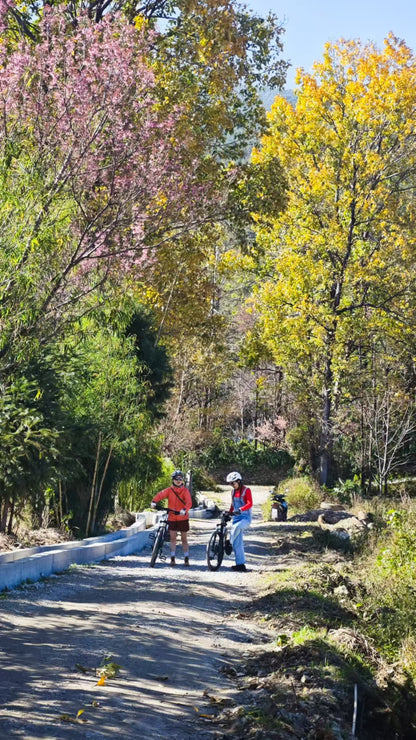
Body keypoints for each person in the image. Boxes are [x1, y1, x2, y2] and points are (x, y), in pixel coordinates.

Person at [151, 470, 192, 566]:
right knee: (173, 538)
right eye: (176, 479)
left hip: (182, 517)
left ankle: (186, 558)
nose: (178, 481)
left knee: (183, 539)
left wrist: (184, 509)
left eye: (180, 479)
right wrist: (154, 501)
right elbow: (160, 494)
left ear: (183, 480)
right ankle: (172, 558)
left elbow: (189, 502)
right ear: (173, 480)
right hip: (172, 516)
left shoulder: (185, 491)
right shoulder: (169, 490)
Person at [226, 471, 253, 572]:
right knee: (238, 543)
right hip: (236, 518)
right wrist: (229, 513)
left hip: (245, 518)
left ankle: (229, 543)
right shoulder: (233, 492)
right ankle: (240, 565)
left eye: (233, 483)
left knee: (236, 528)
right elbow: (233, 505)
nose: (232, 485)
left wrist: (241, 509)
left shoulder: (247, 490)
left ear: (239, 481)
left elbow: (250, 503)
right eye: (230, 484)